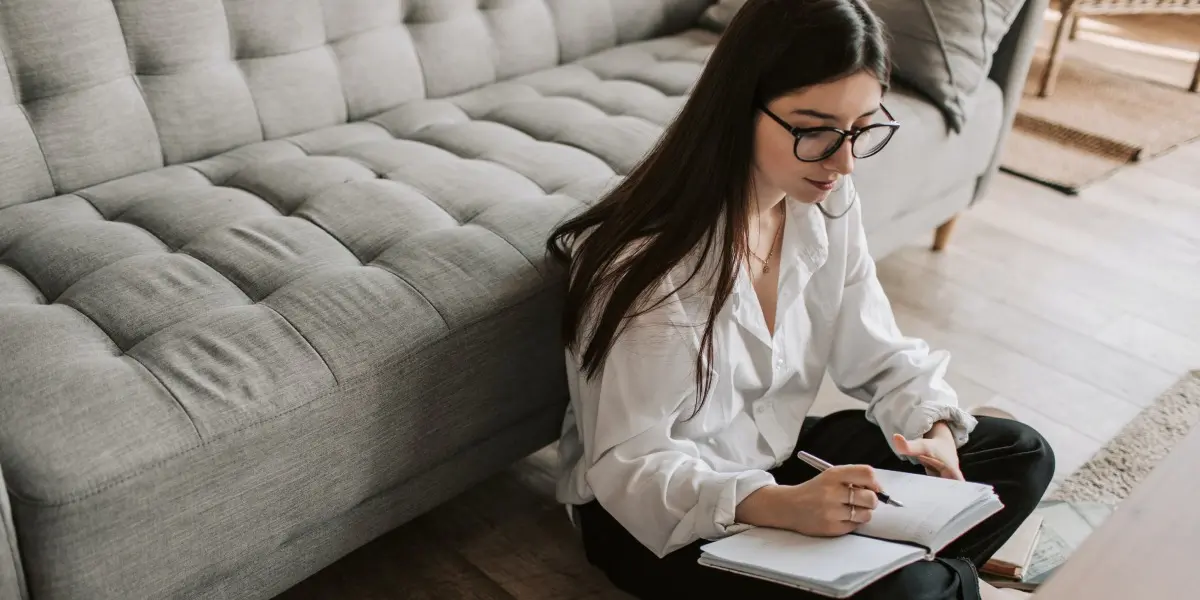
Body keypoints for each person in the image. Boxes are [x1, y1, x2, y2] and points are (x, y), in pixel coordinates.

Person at [544, 0, 1055, 598]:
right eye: (814, 130)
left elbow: (878, 351)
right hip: (660, 518)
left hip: (775, 459)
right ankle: (931, 578)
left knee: (1019, 455)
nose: (843, 162)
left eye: (861, 130)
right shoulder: (647, 267)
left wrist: (932, 428)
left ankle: (917, 575)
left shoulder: (825, 205)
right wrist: (782, 507)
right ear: (739, 107)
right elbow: (632, 466)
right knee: (918, 591)